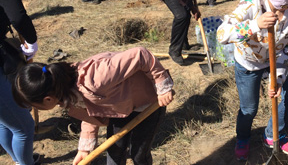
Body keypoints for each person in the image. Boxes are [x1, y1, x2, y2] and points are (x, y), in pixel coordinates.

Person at [13, 47, 174, 165]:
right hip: (119, 109)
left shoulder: (96, 78)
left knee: (138, 154)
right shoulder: (64, 94)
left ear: (47, 99)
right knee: (115, 152)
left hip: (149, 102)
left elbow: (140, 55)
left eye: (34, 106)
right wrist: (84, 148)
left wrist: (161, 83)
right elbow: (91, 111)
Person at [217, 0, 288, 161]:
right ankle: (243, 138)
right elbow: (222, 34)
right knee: (249, 108)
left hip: (278, 59)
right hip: (249, 62)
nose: (286, 1)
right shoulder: (252, 1)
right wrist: (254, 25)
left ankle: (273, 134)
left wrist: (278, 78)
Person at [0, 0, 40, 165]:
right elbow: (17, 15)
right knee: (24, 126)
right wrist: (32, 40)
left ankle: (20, 161)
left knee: (4, 122)